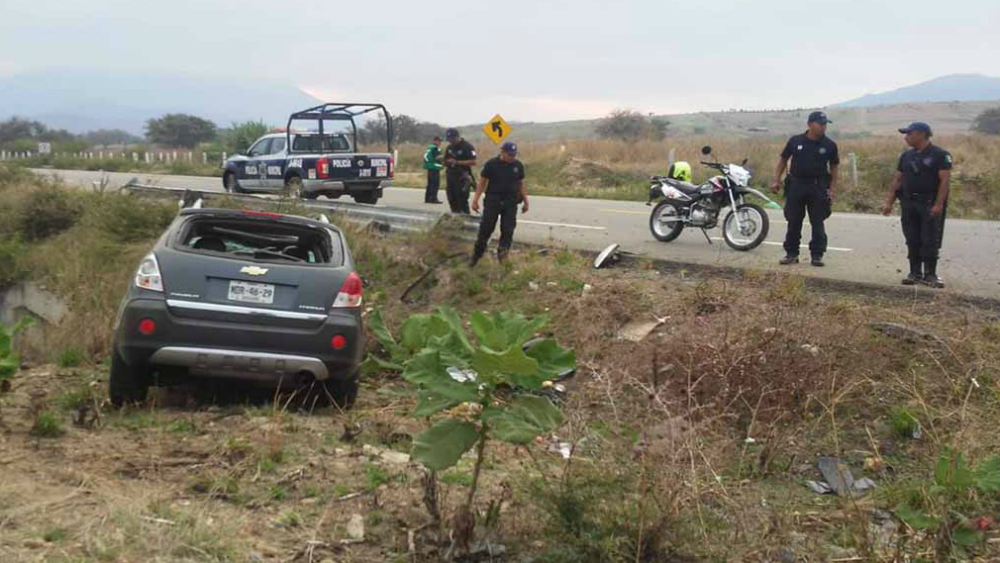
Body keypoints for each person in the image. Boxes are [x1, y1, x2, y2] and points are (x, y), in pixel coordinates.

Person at [881, 122, 952, 288]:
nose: (906, 137)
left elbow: (945, 181)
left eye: (909, 134)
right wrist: (889, 202)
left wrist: (938, 204)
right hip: (908, 202)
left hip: (929, 202)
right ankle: (914, 273)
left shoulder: (940, 155)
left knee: (930, 239)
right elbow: (898, 179)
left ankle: (930, 274)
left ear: (921, 134)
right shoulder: (906, 156)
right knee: (912, 238)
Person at [771, 111, 840, 267]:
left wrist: (832, 189)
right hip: (796, 185)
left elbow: (834, 168)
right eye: (820, 124)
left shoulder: (829, 145)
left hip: (818, 187)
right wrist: (776, 180)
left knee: (818, 222)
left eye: (825, 124)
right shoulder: (795, 141)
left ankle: (817, 255)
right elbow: (783, 160)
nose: (823, 127)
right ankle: (791, 254)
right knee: (794, 221)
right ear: (810, 124)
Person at [470, 141, 529, 265]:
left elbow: (521, 183)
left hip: (510, 201)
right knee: (486, 228)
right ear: (502, 152)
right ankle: (476, 256)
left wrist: (525, 201)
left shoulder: (517, 165)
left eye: (514, 155)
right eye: (510, 155)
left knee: (508, 230)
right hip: (493, 200)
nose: (512, 157)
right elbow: (482, 182)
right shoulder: (491, 164)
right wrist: (475, 199)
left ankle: (503, 258)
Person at [443, 128, 477, 214]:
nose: (451, 141)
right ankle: (455, 221)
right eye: (449, 139)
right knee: (452, 199)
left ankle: (465, 220)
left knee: (461, 200)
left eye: (452, 139)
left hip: (462, 177)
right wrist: (445, 161)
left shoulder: (467, 147)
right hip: (451, 176)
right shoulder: (449, 147)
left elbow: (473, 161)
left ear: (457, 137)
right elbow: (446, 159)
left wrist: (457, 162)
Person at [422, 136, 444, 204]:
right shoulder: (434, 148)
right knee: (435, 184)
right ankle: (433, 198)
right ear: (435, 141)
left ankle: (427, 198)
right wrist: (444, 157)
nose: (440, 143)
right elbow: (437, 157)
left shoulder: (429, 148)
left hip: (430, 167)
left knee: (430, 184)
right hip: (434, 167)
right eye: (439, 141)